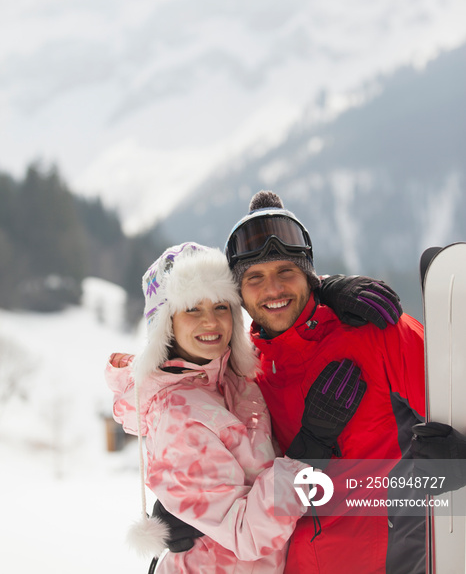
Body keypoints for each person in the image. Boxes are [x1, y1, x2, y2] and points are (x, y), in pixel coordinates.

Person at [106, 242, 366, 573]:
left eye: (220, 307)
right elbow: (248, 535)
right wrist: (308, 451)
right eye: (192, 310)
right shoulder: (179, 416)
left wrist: (326, 290)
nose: (210, 322)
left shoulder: (232, 379)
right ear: (166, 324)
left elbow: (272, 301)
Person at [223, 190, 428, 574]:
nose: (273, 289)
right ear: (238, 294)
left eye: (287, 271)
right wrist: (185, 504)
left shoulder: (376, 333)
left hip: (389, 559)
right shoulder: (243, 370)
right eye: (255, 278)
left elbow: (456, 391)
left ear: (309, 276)